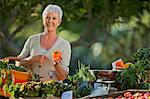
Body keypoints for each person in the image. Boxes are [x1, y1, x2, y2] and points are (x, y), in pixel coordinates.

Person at [15, 4, 71, 81]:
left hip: (53, 90)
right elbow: (17, 64)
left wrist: (57, 65)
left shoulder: (65, 45)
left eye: (54, 18)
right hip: (31, 88)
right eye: (47, 17)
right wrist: (32, 59)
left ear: (59, 22)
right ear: (43, 19)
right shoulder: (32, 40)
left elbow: (63, 77)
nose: (50, 21)